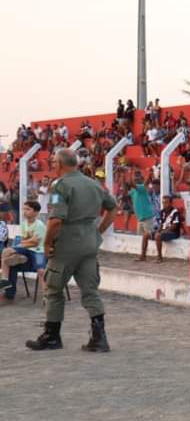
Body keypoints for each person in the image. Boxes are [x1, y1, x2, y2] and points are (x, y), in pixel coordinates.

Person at [25, 149, 117, 352]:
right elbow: (113, 207)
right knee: (91, 290)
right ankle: (99, 338)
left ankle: (52, 335)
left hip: (66, 243)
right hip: (89, 242)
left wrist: (47, 244)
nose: (52, 165)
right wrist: (99, 230)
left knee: (53, 289)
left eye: (54, 162)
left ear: (60, 163)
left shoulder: (61, 186)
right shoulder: (93, 184)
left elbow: (56, 220)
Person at [1, 200, 46, 301]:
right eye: (24, 209)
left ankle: (46, 296)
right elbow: (24, 240)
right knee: (6, 252)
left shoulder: (39, 225)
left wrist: (25, 242)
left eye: (28, 209)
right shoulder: (23, 224)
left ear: (35, 212)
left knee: (41, 271)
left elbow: (35, 243)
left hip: (38, 251)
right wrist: (26, 242)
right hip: (26, 249)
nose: (24, 211)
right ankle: (5, 280)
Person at [128, 173, 156, 261]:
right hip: (140, 218)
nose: (136, 180)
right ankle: (143, 255)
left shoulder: (141, 188)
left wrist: (129, 174)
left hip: (146, 217)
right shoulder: (133, 190)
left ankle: (143, 256)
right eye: (135, 178)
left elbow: (131, 183)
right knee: (144, 237)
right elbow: (126, 190)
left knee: (146, 237)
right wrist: (122, 177)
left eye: (137, 178)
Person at [153, 196, 185, 262]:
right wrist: (158, 231)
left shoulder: (175, 212)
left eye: (166, 203)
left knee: (158, 236)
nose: (164, 204)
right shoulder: (162, 212)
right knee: (146, 235)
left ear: (171, 203)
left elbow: (174, 226)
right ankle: (143, 256)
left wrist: (162, 232)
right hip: (164, 231)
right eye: (163, 203)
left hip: (173, 233)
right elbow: (161, 224)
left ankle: (159, 257)